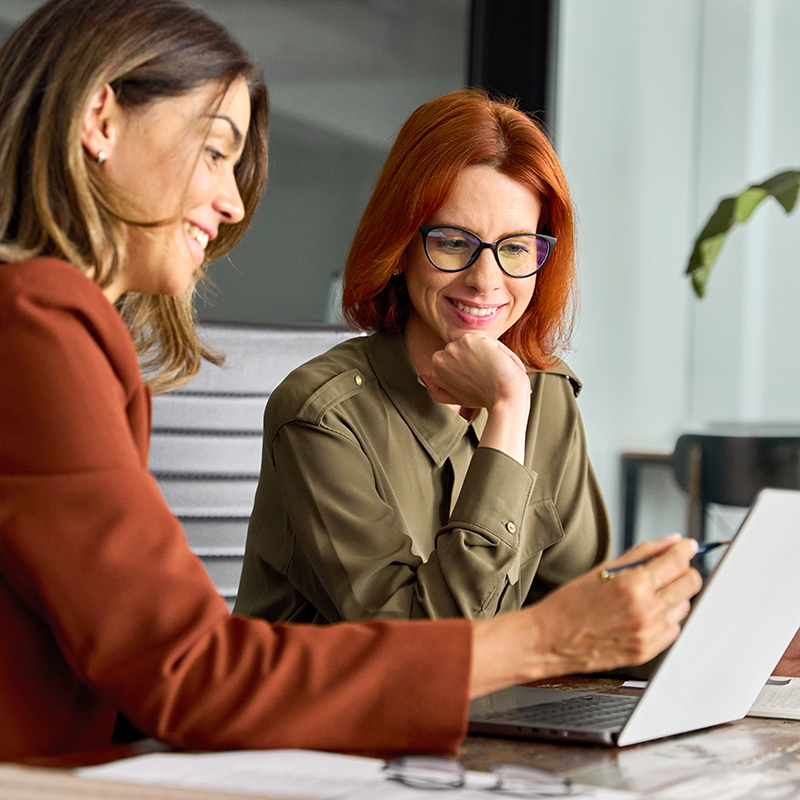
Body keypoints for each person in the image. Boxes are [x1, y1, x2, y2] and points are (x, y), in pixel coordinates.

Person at [0, 0, 702, 763]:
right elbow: (190, 671)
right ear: (100, 118)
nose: (234, 201)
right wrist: (543, 638)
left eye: (515, 248)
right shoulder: (34, 323)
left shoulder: (58, 329)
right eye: (214, 150)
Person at [236, 89, 611, 624]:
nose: (486, 281)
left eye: (516, 248)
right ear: (399, 246)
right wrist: (505, 415)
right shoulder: (322, 417)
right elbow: (423, 646)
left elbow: (584, 613)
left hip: (497, 706)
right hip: (347, 706)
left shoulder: (547, 393)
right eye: (455, 242)